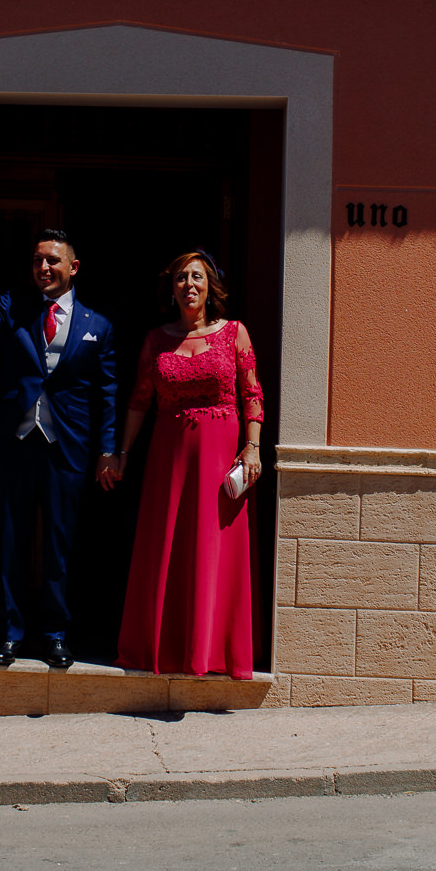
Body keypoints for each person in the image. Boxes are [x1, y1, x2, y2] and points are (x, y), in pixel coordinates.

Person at [0, 230, 119, 669]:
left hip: (67, 447)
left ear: (74, 268)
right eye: (36, 261)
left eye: (51, 261)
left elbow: (107, 394)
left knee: (59, 546)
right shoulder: (15, 306)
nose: (43, 268)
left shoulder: (97, 326)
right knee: (12, 542)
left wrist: (108, 450)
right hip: (17, 443)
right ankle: (10, 635)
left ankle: (56, 636)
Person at [101, 250, 263, 680]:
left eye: (196, 277)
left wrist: (253, 447)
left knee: (215, 549)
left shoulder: (234, 333)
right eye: (180, 278)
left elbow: (252, 394)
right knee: (168, 547)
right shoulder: (156, 339)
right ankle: (165, 647)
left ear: (211, 286)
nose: (188, 285)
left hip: (221, 458)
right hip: (169, 459)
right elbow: (139, 401)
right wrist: (123, 453)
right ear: (171, 289)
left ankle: (211, 652)